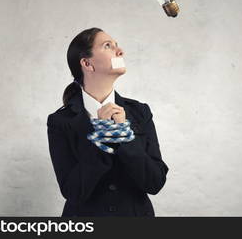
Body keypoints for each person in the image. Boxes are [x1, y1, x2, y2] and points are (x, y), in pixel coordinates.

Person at [46, 27, 169, 216]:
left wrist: (124, 137)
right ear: (87, 64)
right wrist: (101, 139)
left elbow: (155, 183)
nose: (120, 51)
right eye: (108, 46)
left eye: (116, 45)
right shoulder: (60, 121)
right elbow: (73, 192)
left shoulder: (140, 112)